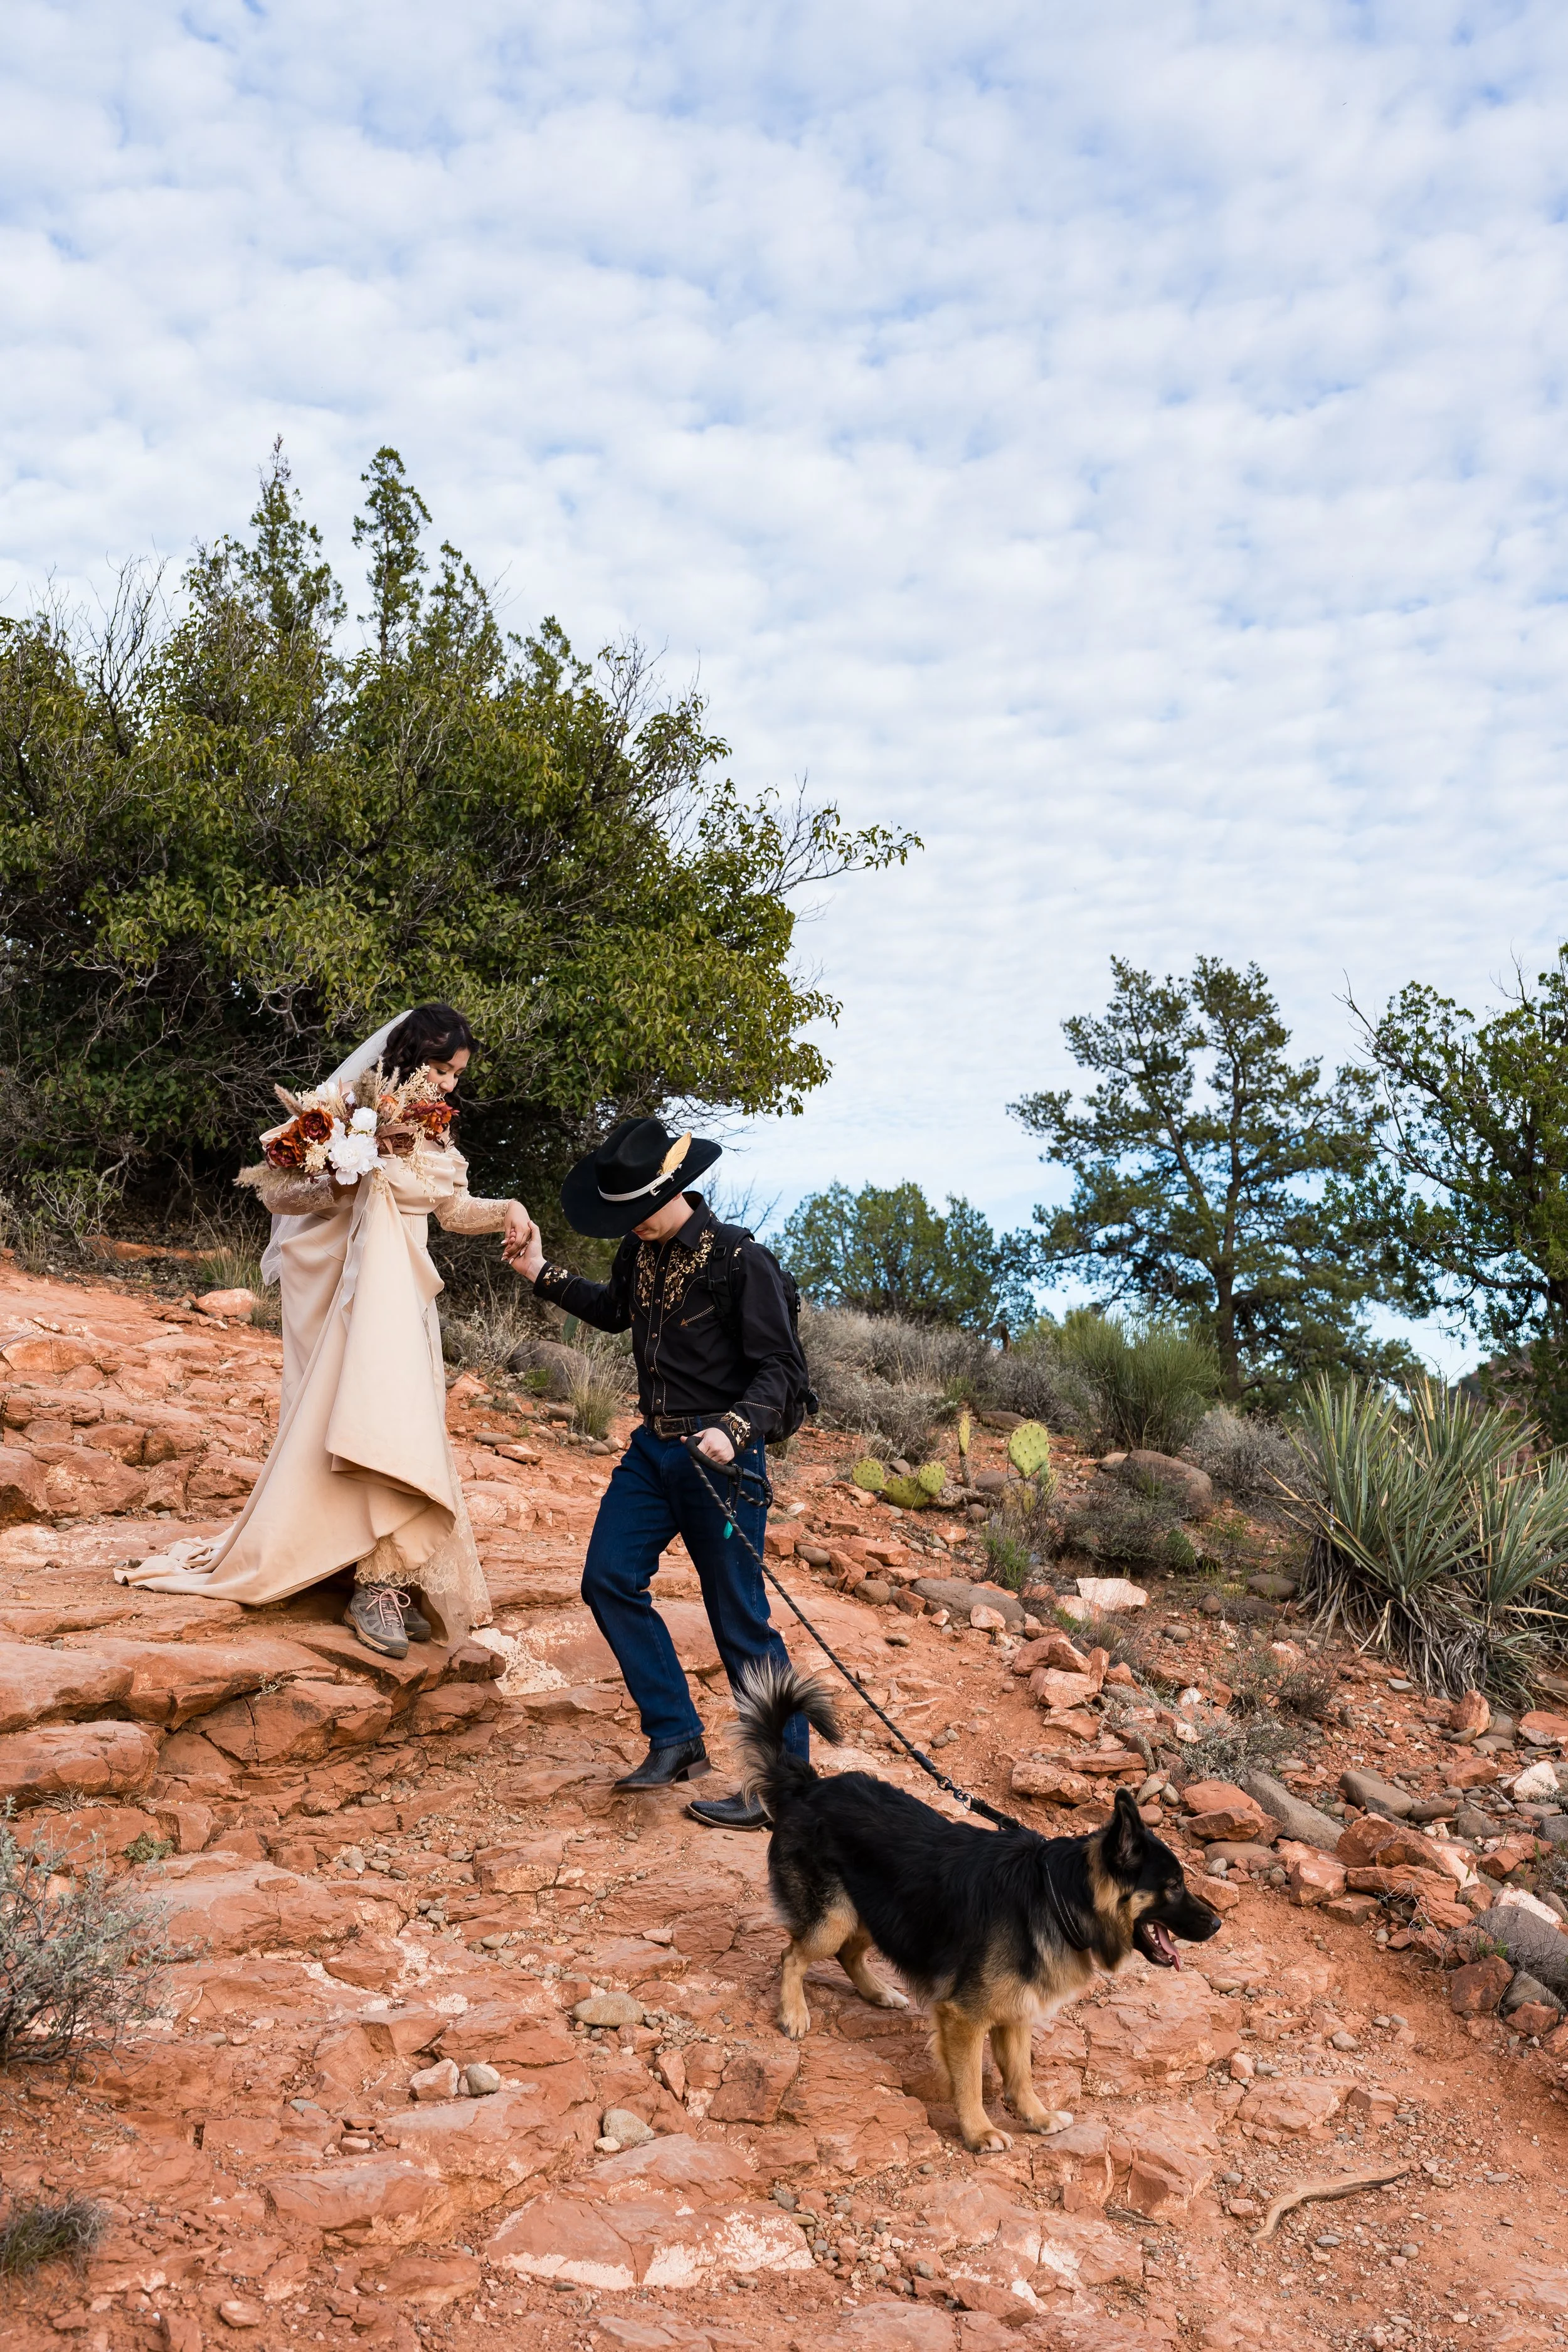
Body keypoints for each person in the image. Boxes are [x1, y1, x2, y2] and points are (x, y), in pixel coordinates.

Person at [119, 1005, 530, 1659]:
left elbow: (450, 1211)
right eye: (442, 1070)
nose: (450, 1085)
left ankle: (383, 1573)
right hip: (347, 1300)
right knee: (359, 1423)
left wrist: (509, 1209)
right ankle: (371, 1584)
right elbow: (280, 1197)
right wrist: (350, 1167)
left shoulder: (438, 1136)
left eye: (456, 1075)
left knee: (398, 1426)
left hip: (406, 1306)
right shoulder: (346, 1109)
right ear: (409, 1056)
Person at [506, 1116, 807, 1831]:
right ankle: (675, 1738)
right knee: (607, 1578)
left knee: (740, 1620)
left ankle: (785, 1790)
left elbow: (782, 1369)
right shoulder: (637, 1255)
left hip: (724, 1461)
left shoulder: (741, 1259)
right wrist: (537, 1273)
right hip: (651, 1453)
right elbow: (614, 1313)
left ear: (675, 1188)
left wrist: (736, 1430)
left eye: (637, 1212)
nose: (630, 1226)